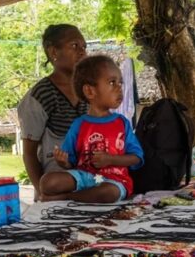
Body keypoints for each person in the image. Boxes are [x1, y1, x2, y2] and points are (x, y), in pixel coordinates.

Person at [40, 55, 144, 203]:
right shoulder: (79, 124)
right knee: (47, 182)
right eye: (112, 82)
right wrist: (64, 162)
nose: (119, 88)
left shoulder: (122, 123)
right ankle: (84, 195)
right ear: (89, 91)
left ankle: (66, 197)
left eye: (120, 82)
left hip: (114, 180)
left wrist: (111, 159)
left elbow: (137, 158)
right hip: (84, 177)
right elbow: (72, 163)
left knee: (108, 193)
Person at [18, 24, 88, 197]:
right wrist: (43, 194)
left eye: (84, 46)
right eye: (74, 45)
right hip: (56, 190)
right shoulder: (40, 96)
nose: (82, 52)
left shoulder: (89, 91)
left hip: (89, 187)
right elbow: (29, 153)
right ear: (53, 52)